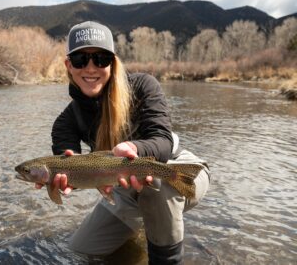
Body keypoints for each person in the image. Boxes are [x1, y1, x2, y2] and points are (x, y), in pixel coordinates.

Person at [35, 21, 210, 264]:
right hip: (122, 186)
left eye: (100, 59)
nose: (90, 67)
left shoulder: (143, 86)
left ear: (113, 62)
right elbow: (69, 166)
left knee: (157, 188)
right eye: (80, 60)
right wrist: (61, 183)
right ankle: (142, 228)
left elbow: (162, 141)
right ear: (68, 65)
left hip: (175, 169)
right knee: (82, 250)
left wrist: (135, 149)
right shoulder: (65, 122)